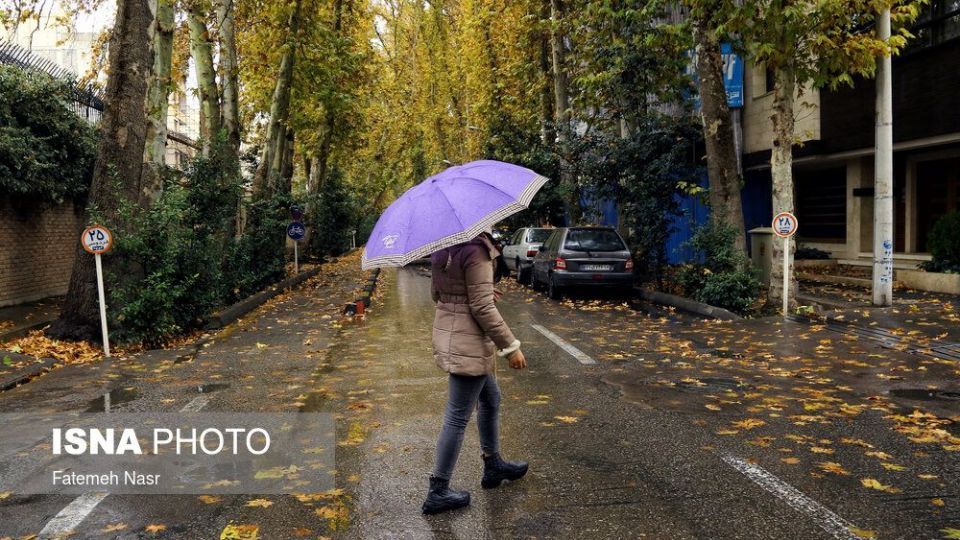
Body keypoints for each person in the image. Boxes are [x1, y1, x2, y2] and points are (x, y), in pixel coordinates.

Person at [422, 231, 529, 515]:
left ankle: (493, 464)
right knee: (457, 417)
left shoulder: (441, 246)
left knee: (491, 398)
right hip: (467, 340)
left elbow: (437, 293)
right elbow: (481, 308)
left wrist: (474, 292)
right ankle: (438, 490)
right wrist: (510, 347)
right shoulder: (476, 250)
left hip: (450, 333)